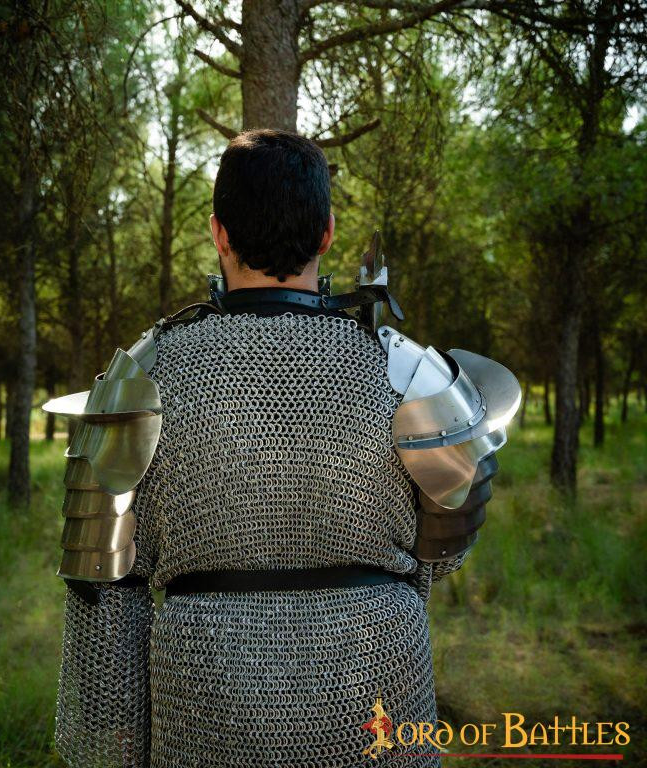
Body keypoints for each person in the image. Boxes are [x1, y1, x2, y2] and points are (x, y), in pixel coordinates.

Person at [44, 129, 521, 768]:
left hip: (207, 691)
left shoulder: (146, 375)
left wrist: (115, 742)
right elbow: (448, 543)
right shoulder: (407, 374)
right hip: (373, 674)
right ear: (326, 234)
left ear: (218, 233)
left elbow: (103, 586)